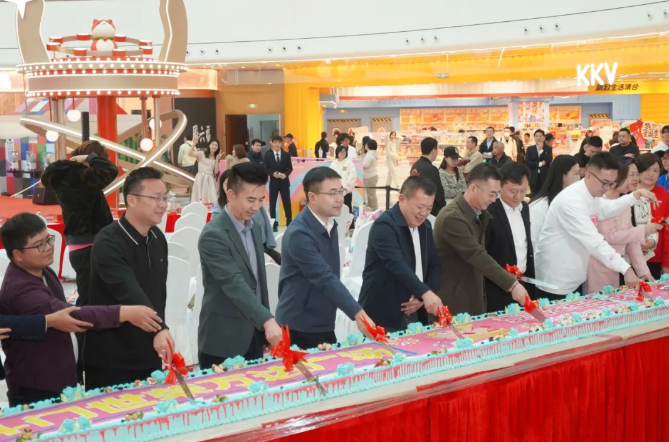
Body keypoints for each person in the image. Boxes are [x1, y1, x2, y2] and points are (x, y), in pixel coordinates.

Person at [0, 213, 162, 405]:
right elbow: (72, 316)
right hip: (37, 387)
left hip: (59, 377)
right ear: (18, 255)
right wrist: (124, 313)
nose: (48, 247)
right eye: (39, 245)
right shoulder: (22, 289)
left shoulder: (44, 271)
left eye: (48, 240)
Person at [84, 167, 175, 390]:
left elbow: (158, 293)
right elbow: (129, 291)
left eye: (165, 198)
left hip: (149, 350)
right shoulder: (108, 242)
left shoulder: (157, 237)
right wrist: (160, 329)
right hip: (112, 357)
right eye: (155, 198)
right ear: (131, 200)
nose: (162, 205)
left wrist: (159, 331)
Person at [275, 167, 375, 349]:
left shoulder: (329, 224)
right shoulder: (299, 233)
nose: (339, 199)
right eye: (332, 193)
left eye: (341, 191)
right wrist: (358, 313)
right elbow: (324, 277)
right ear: (312, 197)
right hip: (300, 325)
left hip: (323, 320)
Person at [534, 153, 658, 300]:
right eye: (604, 182)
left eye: (611, 183)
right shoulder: (571, 202)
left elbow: (607, 208)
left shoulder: (591, 194)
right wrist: (626, 269)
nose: (607, 188)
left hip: (574, 275)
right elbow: (595, 242)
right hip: (556, 279)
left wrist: (635, 196)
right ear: (588, 175)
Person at [198, 163, 282, 366]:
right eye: (250, 200)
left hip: (254, 334)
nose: (256, 207)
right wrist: (267, 319)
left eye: (261, 200)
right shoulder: (213, 234)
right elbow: (233, 283)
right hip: (224, 339)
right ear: (231, 195)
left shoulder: (255, 227)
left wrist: (263, 327)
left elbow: (258, 283)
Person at [434, 164, 528, 315]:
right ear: (473, 188)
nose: (494, 200)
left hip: (475, 295)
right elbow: (476, 254)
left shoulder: (480, 213)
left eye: (496, 194)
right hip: (455, 301)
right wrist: (511, 285)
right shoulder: (452, 218)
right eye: (491, 194)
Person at [359, 176, 443, 331]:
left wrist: (424, 294)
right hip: (385, 310)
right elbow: (396, 264)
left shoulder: (425, 226)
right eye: (420, 207)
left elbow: (434, 263)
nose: (424, 213)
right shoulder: (384, 225)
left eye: (429, 208)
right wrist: (424, 293)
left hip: (417, 308)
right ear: (402, 199)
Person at [41, 140, 118, 307]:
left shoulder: (64, 174)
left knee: (90, 293)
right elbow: (110, 170)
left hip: (79, 243)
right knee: (92, 298)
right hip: (91, 243)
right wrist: (90, 158)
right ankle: (85, 324)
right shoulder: (81, 177)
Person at [586, 163, 657, 293]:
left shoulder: (625, 203)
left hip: (620, 266)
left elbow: (632, 242)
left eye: (635, 175)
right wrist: (643, 230)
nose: (632, 180)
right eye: (628, 176)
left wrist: (643, 271)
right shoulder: (600, 203)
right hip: (600, 266)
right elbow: (610, 236)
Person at [484, 163, 535, 312]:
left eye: (523, 191)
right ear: (500, 186)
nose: (518, 196)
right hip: (497, 286)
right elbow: (483, 253)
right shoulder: (489, 210)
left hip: (523, 281)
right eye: (513, 191)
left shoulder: (524, 208)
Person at [211, 169, 280, 264]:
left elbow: (262, 225)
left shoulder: (253, 208)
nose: (255, 206)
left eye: (260, 200)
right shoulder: (217, 211)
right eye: (226, 184)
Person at [529, 155, 580, 245]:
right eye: (575, 173)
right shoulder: (540, 206)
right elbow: (534, 240)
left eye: (579, 173)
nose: (579, 178)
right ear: (563, 175)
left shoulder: (575, 201)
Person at [633, 153, 669, 278]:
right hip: (628, 257)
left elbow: (667, 231)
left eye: (655, 170)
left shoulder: (664, 194)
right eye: (647, 169)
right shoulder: (627, 193)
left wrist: (666, 263)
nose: (651, 174)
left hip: (655, 257)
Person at [410, 137, 446, 217]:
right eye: (437, 150)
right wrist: (443, 207)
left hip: (416, 206)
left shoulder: (415, 166)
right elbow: (438, 193)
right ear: (433, 151)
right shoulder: (432, 169)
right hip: (429, 211)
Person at [264, 135, 293, 232]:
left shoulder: (286, 155)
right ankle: (274, 224)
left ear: (281, 144)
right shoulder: (268, 155)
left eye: (279, 142)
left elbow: (290, 168)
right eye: (275, 142)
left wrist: (285, 175)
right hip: (274, 182)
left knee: (287, 203)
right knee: (272, 203)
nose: (277, 144)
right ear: (272, 143)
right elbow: (265, 168)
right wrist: (272, 174)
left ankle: (289, 223)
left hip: (284, 182)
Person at [189, 139, 221, 203]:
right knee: (199, 197)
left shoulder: (216, 157)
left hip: (210, 180)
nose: (214, 146)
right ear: (209, 145)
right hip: (200, 178)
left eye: (216, 145)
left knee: (210, 198)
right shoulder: (201, 153)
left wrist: (217, 159)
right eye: (213, 144)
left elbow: (216, 172)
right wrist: (194, 143)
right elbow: (189, 154)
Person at [330, 145, 357, 218]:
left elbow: (352, 175)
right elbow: (330, 176)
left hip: (346, 190)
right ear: (337, 153)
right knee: (336, 208)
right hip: (335, 191)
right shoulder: (333, 164)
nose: (343, 153)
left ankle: (350, 224)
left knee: (347, 207)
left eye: (344, 151)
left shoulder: (349, 162)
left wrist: (345, 187)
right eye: (341, 152)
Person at [526, 129, 553, 196]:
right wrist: (540, 164)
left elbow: (549, 160)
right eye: (536, 136)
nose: (538, 138)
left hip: (544, 175)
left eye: (540, 136)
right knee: (534, 194)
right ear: (534, 138)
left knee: (544, 194)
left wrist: (541, 150)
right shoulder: (530, 149)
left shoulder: (548, 148)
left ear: (544, 137)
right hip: (533, 175)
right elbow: (528, 162)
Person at [362, 139, 379, 211]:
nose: (365, 146)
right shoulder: (373, 153)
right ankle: (371, 207)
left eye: (366, 144)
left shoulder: (369, 155)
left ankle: (374, 208)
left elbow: (365, 165)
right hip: (372, 175)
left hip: (369, 176)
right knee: (370, 194)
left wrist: (360, 164)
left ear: (368, 146)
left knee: (371, 194)